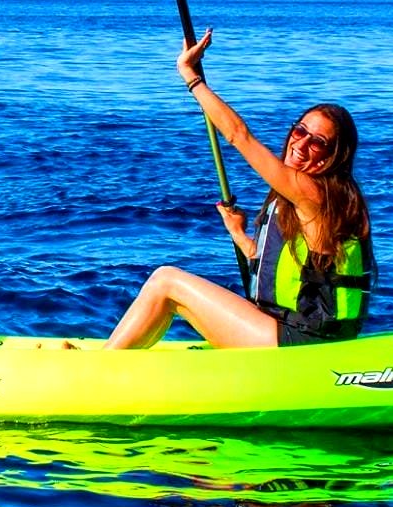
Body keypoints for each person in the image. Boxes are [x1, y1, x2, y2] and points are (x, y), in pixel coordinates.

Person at [106, 30, 373, 349]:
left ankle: (100, 371)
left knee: (166, 281)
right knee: (173, 297)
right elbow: (288, 273)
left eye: (318, 142)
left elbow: (238, 135)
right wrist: (240, 236)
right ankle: (120, 359)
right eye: (300, 131)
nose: (302, 143)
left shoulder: (314, 192)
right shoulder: (309, 197)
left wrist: (191, 78)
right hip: (289, 330)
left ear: (334, 157)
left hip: (302, 343)